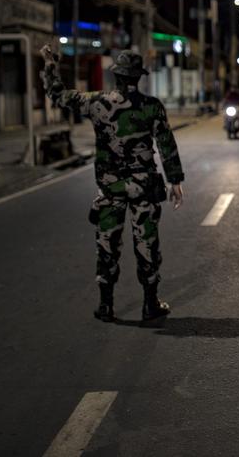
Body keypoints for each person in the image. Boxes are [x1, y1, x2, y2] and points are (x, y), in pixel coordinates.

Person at [40, 46, 185, 325]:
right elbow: (166, 144)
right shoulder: (151, 106)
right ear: (138, 78)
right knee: (147, 245)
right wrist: (175, 181)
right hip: (143, 188)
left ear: (116, 77)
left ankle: (106, 305)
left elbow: (58, 95)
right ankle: (149, 304)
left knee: (107, 246)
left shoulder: (97, 102)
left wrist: (50, 66)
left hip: (110, 189)